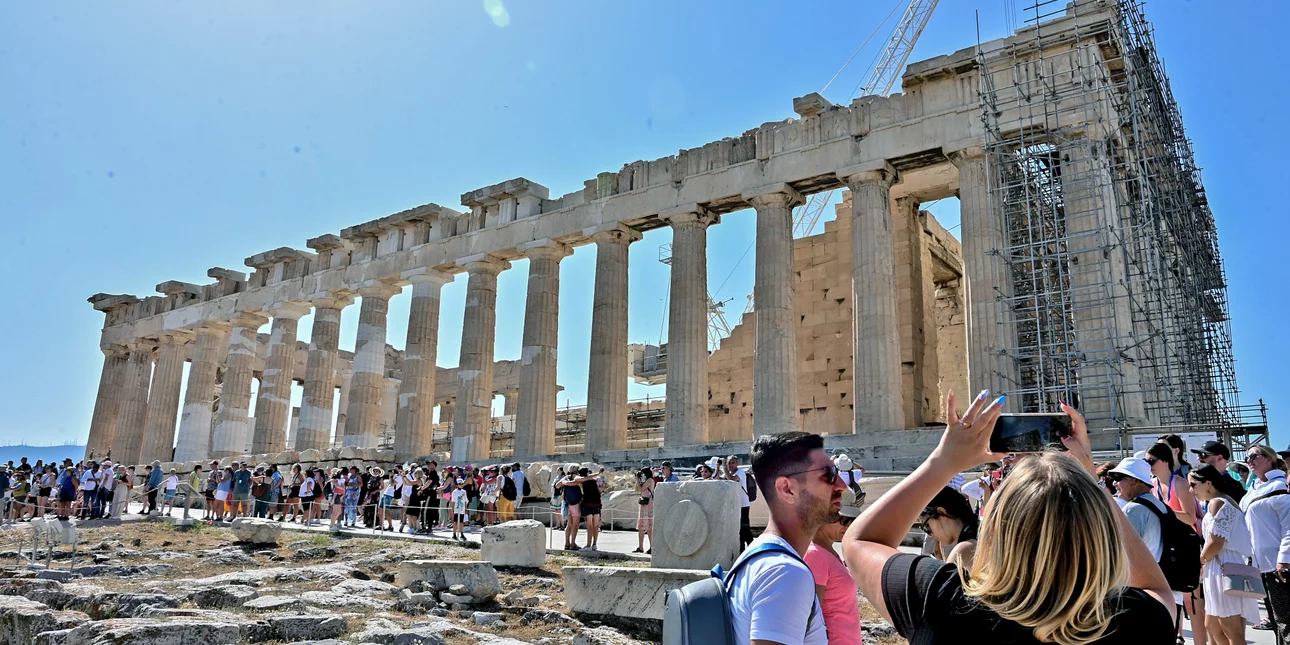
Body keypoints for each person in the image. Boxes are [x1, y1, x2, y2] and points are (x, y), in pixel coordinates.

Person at [843, 393, 1175, 645]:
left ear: (996, 523)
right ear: (1099, 529)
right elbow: (1156, 586)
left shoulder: (943, 601)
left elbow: (860, 542)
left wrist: (942, 462)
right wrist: (1089, 477)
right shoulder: (1133, 621)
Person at [728, 431, 838, 645]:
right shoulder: (784, 574)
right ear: (787, 489)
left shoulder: (760, 557)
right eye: (829, 474)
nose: (841, 485)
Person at [1187, 464, 1259, 644]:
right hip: (1222, 564)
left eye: (1193, 484)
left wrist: (1200, 561)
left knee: (1230, 629)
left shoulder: (1217, 502)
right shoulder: (1222, 501)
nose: (1190, 490)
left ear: (1208, 483)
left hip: (1223, 566)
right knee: (1213, 626)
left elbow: (1216, 541)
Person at [1147, 441, 1207, 644]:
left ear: (1165, 461)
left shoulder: (1179, 483)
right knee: (1170, 600)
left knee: (1193, 603)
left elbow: (1190, 518)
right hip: (1167, 547)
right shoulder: (1153, 485)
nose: (1149, 466)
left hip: (1186, 547)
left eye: (1152, 461)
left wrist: (1163, 510)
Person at [1240, 444, 1290, 638]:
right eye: (1247, 458)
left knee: (1285, 621)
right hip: (1261, 564)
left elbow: (1288, 525)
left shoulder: (1279, 485)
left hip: (1278, 564)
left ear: (1269, 459)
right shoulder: (1254, 488)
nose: (1249, 461)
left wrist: (1284, 558)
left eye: (1254, 456)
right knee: (1277, 620)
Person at [804, 488, 864, 645]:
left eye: (852, 520)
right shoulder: (815, 555)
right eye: (844, 519)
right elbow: (812, 617)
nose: (849, 525)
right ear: (824, 517)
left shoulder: (827, 552)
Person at [1108, 457, 1168, 561]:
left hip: (1143, 569)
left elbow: (1123, 553)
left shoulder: (1133, 510)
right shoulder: (1158, 504)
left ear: (1135, 481)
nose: (1114, 483)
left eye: (1118, 477)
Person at [917, 485, 980, 569]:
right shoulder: (979, 536)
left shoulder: (963, 550)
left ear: (942, 512)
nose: (930, 534)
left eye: (927, 526)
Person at [720, 455, 753, 550]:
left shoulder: (740, 472)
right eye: (729, 463)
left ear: (737, 463)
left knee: (744, 527)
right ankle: (742, 548)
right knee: (738, 529)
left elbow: (731, 479)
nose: (730, 465)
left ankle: (750, 546)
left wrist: (724, 468)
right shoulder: (728, 473)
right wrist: (718, 467)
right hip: (734, 505)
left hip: (743, 504)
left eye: (733, 462)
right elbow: (718, 479)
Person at [555, 467, 583, 550]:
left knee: (569, 524)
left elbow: (557, 485)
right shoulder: (577, 477)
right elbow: (582, 483)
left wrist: (565, 482)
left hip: (567, 503)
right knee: (575, 524)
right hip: (575, 503)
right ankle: (573, 544)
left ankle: (567, 543)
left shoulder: (566, 477)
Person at [635, 465, 655, 554]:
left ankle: (652, 547)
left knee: (649, 527)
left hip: (648, 504)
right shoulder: (645, 481)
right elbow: (637, 489)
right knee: (641, 526)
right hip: (643, 504)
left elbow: (641, 489)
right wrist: (638, 480)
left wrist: (638, 480)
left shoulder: (650, 480)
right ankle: (640, 547)